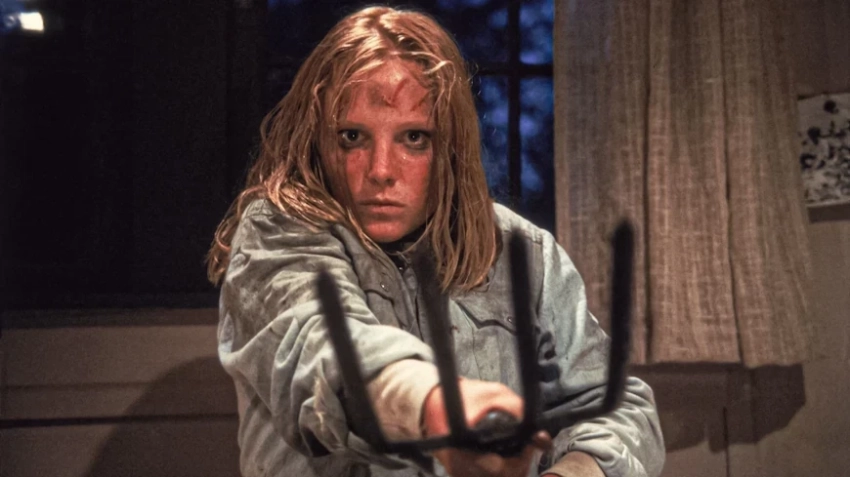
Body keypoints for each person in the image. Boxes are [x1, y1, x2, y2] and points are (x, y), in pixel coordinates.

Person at [207, 6, 664, 477]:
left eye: (413, 138)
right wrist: (435, 406)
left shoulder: (520, 250)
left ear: (449, 146)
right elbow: (324, 350)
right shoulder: (275, 232)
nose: (381, 170)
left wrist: (573, 473)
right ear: (317, 141)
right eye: (352, 136)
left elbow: (615, 408)